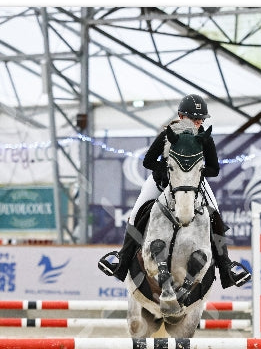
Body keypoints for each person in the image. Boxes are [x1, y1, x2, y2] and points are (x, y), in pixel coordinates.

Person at [98, 93, 251, 289]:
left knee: (216, 215)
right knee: (137, 212)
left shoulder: (204, 138)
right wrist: (169, 172)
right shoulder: (167, 135)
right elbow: (148, 161)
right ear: (180, 116)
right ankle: (121, 259)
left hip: (194, 185)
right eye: (193, 118)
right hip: (160, 182)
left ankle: (226, 267)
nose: (197, 123)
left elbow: (214, 169)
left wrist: (196, 173)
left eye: (200, 119)